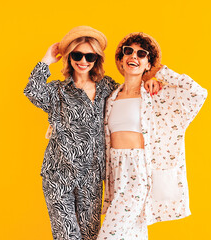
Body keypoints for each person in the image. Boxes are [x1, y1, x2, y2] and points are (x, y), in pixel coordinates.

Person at [24, 26, 159, 240]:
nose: (83, 61)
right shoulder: (57, 91)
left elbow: (131, 88)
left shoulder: (108, 88)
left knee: (90, 237)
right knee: (67, 236)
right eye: (77, 55)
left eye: (90, 56)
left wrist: (148, 79)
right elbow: (32, 91)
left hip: (92, 179)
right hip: (59, 175)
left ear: (97, 58)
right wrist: (46, 60)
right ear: (69, 58)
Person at [98, 32, 208, 240]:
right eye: (128, 51)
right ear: (121, 59)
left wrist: (159, 72)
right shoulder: (111, 95)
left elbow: (198, 93)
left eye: (142, 54)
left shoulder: (156, 95)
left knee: (109, 235)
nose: (134, 57)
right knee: (133, 235)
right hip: (115, 171)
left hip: (139, 171)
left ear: (148, 63)